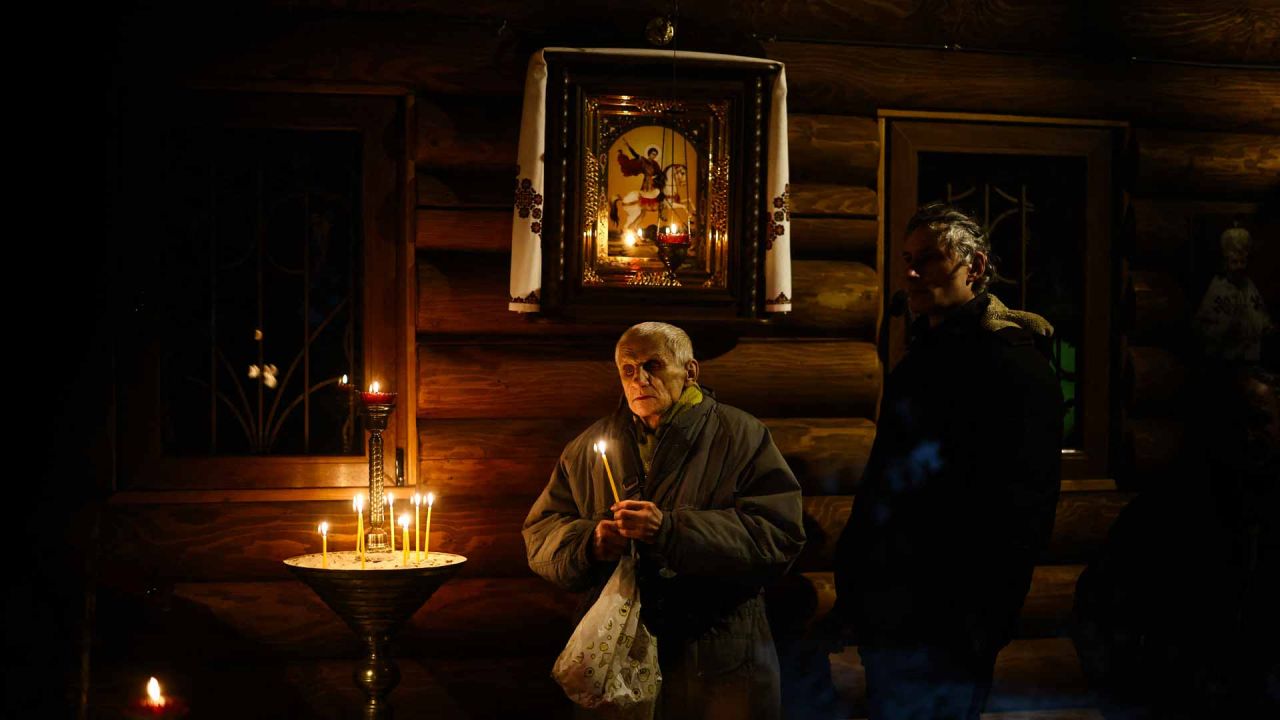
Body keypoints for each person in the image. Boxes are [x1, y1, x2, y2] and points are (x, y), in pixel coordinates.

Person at [823, 202, 1064, 719]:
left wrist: (983, 617)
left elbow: (1024, 503)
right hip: (893, 608)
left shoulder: (1012, 366)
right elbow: (889, 483)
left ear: (973, 267)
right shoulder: (923, 359)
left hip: (954, 616)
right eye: (908, 259)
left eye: (928, 259)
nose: (910, 273)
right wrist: (859, 586)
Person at [524, 321, 807, 719]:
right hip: (615, 660)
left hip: (715, 654)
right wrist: (589, 543)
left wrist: (671, 530)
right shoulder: (589, 446)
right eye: (627, 369)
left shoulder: (740, 436)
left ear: (689, 371)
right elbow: (540, 533)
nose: (639, 379)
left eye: (652, 365)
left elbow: (778, 535)